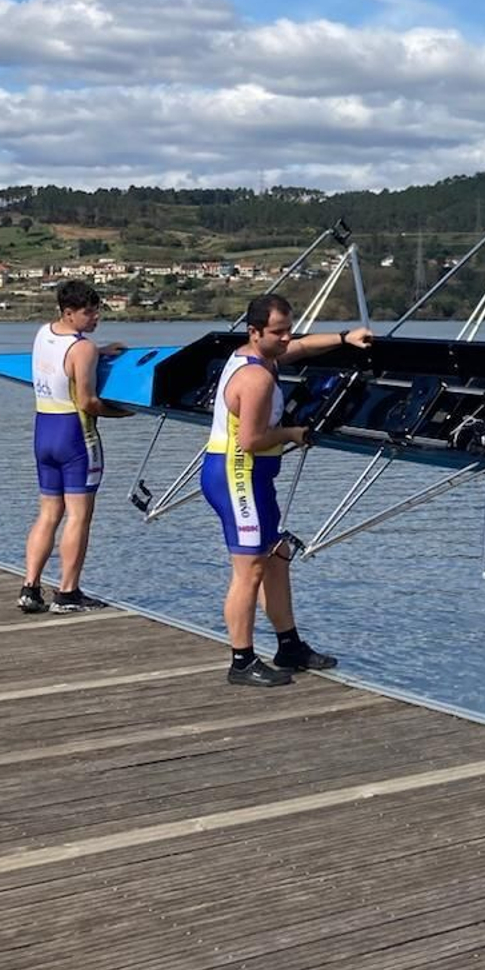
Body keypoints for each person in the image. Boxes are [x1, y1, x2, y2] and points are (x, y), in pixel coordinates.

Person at [201, 293, 374, 687]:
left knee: (276, 556)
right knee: (250, 569)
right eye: (277, 332)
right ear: (254, 331)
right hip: (238, 475)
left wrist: (344, 337)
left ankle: (289, 645)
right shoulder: (256, 377)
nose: (285, 339)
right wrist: (294, 433)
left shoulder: (257, 356)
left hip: (249, 476)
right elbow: (251, 439)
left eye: (287, 330)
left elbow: (298, 348)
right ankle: (241, 662)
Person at [20, 280, 126, 614]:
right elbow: (89, 402)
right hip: (75, 437)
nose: (95, 318)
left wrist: (100, 350)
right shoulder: (84, 349)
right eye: (89, 313)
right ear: (69, 312)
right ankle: (68, 593)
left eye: (97, 312)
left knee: (49, 513)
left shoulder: (43, 333)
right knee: (79, 516)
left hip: (43, 431)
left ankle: (30, 588)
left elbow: (63, 360)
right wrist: (124, 413)